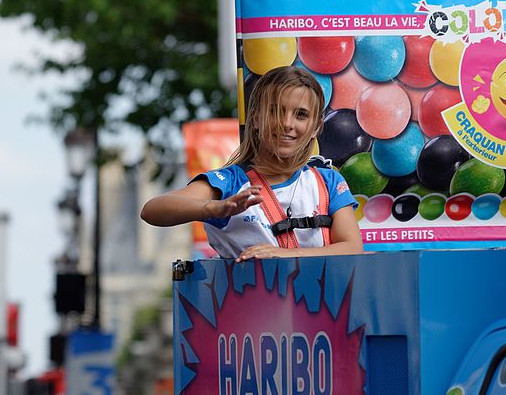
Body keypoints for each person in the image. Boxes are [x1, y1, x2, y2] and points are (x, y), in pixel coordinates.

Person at [140, 65, 363, 261]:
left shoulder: (328, 180)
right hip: (251, 308)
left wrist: (287, 256)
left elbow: (352, 248)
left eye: (301, 115)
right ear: (255, 119)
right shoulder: (230, 182)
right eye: (275, 111)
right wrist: (213, 209)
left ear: (315, 127)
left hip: (325, 308)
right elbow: (152, 210)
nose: (286, 124)